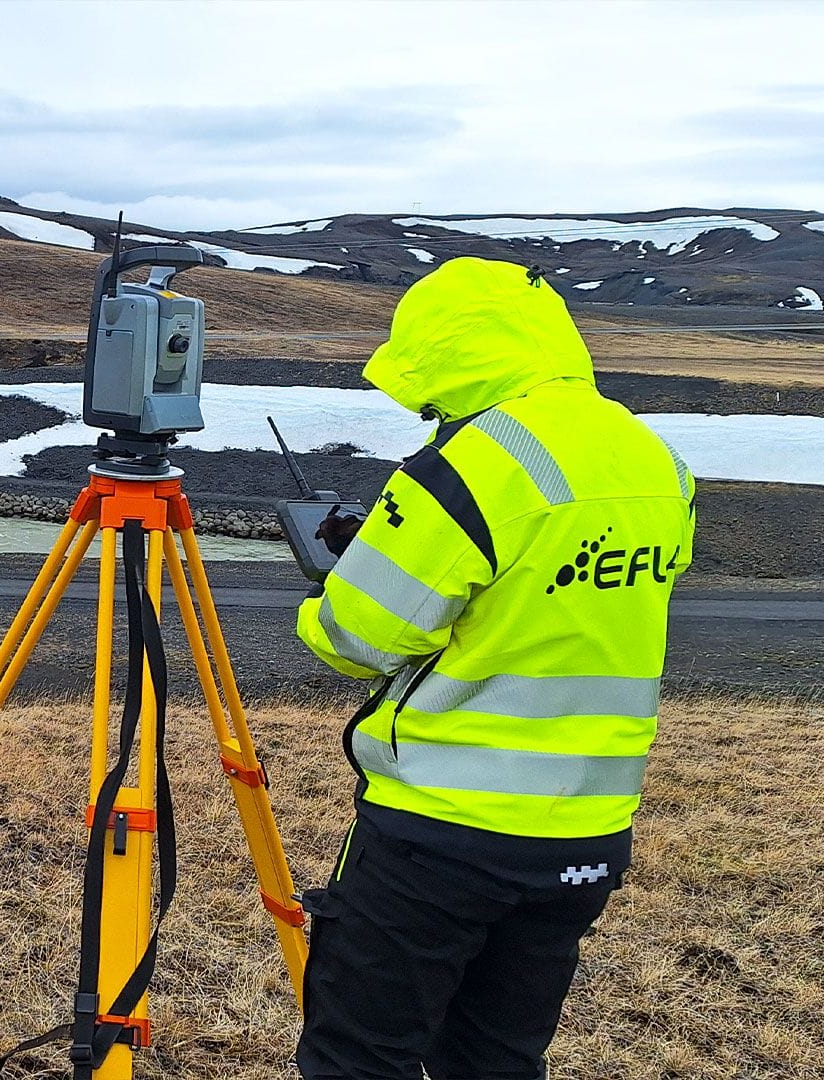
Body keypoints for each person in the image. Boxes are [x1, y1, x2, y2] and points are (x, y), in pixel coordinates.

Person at [292, 257, 697, 1079]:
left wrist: (346, 578)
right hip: (586, 834)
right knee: (498, 1060)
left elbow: (356, 636)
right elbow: (564, 600)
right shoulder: (656, 458)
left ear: (449, 354)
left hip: (439, 837)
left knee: (359, 1058)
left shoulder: (472, 463)